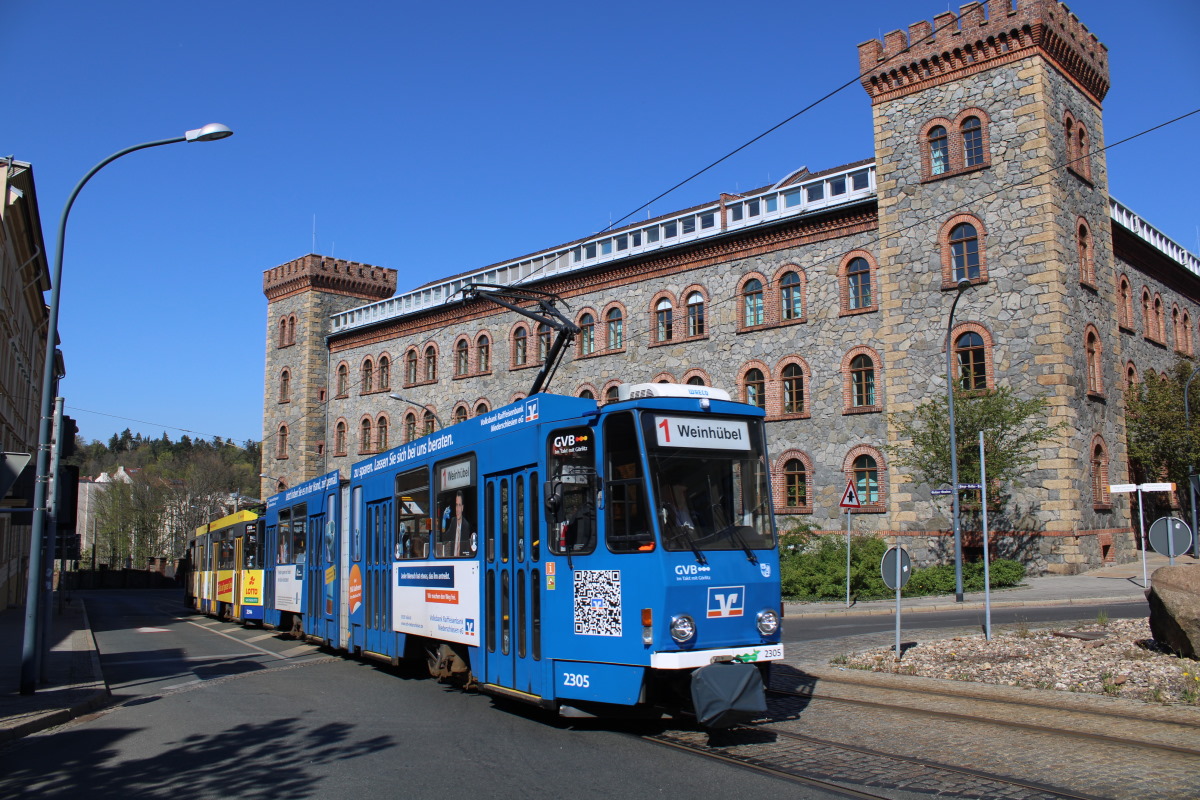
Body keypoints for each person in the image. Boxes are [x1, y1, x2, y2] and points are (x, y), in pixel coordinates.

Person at [440, 490, 474, 557]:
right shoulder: (453, 521)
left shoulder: (466, 525)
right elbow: (444, 540)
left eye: (459, 505)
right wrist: (443, 521)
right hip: (453, 559)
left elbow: (467, 549)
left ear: (462, 508)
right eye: (456, 505)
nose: (457, 509)